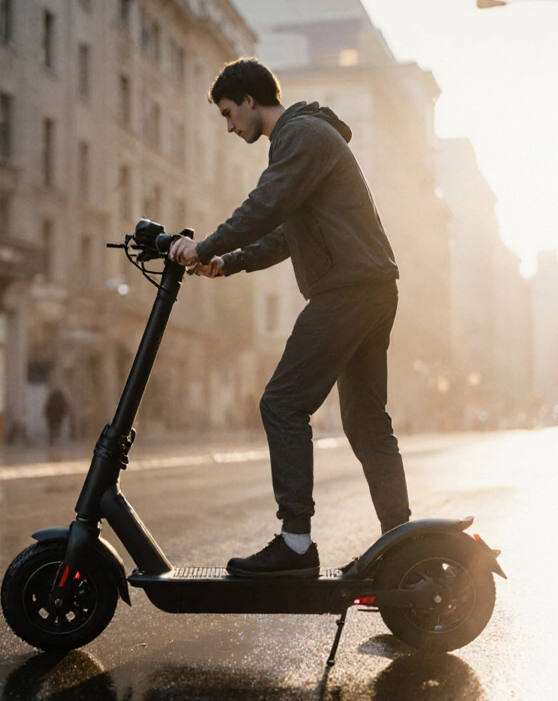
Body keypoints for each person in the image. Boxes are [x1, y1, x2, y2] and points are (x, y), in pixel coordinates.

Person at [169, 58, 410, 579]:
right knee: (367, 423)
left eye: (230, 114)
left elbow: (266, 206)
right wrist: (226, 262)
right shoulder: (306, 141)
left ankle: (296, 543)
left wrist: (201, 246)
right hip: (368, 289)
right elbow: (284, 235)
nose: (230, 127)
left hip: (347, 291)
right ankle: (404, 545)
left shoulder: (300, 135)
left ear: (251, 101)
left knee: (281, 403)